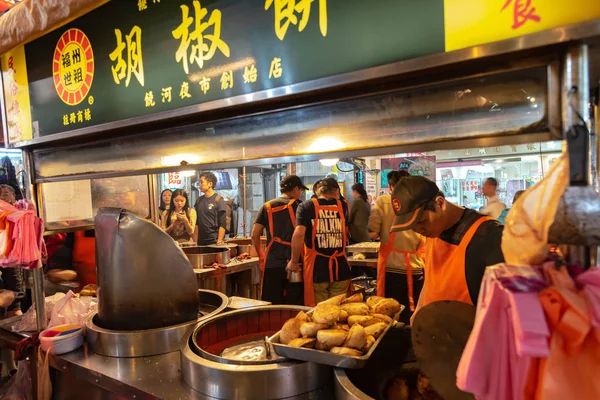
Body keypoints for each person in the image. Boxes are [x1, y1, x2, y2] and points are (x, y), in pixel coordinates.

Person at [389, 176, 504, 320]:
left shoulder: (490, 236)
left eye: (422, 222)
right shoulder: (433, 231)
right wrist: (419, 309)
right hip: (435, 335)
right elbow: (432, 279)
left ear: (440, 203)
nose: (418, 230)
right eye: (412, 226)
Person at [368, 171, 425, 322]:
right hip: (417, 267)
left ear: (390, 186)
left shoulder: (384, 201)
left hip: (392, 268)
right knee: (414, 312)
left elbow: (372, 233)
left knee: (391, 314)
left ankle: (395, 343)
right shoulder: (420, 202)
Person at [288, 178, 351, 306]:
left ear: (317, 191)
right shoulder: (343, 206)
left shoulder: (305, 206)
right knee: (340, 312)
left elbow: (299, 234)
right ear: (335, 191)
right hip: (341, 269)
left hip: (317, 271)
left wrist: (293, 262)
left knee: (321, 315)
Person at [251, 175, 308, 305]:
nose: (300, 193)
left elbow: (255, 234)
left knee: (271, 302)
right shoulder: (302, 206)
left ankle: (273, 325)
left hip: (272, 262)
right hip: (296, 262)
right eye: (301, 190)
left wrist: (261, 256)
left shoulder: (266, 207)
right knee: (296, 302)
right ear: (295, 189)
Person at [193, 172, 227, 245]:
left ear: (210, 184)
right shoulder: (199, 200)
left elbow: (223, 224)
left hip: (214, 240)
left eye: (202, 182)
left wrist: (219, 240)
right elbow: (197, 223)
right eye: (199, 182)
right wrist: (195, 241)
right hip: (201, 241)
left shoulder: (219, 200)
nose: (199, 185)